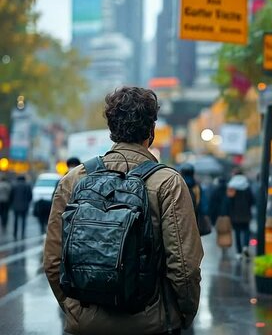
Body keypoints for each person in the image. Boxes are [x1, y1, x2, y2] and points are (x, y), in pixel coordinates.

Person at [43, 86, 203, 334]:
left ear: (111, 130)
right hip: (151, 324)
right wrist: (180, 315)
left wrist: (74, 310)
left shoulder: (73, 180)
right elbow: (184, 268)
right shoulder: (168, 182)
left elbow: (53, 262)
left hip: (86, 323)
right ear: (151, 130)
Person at [225, 168, 254, 258]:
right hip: (246, 213)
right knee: (246, 231)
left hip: (235, 214)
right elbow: (252, 200)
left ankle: (238, 252)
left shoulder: (231, 186)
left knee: (237, 233)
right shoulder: (247, 186)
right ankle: (245, 246)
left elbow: (228, 201)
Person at [10, 175, 32, 240]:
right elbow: (30, 196)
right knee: (23, 220)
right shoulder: (27, 186)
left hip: (15, 205)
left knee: (15, 220)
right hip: (24, 205)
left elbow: (11, 196)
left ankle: (15, 234)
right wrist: (27, 202)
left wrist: (11, 204)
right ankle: (22, 234)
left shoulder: (14, 185)